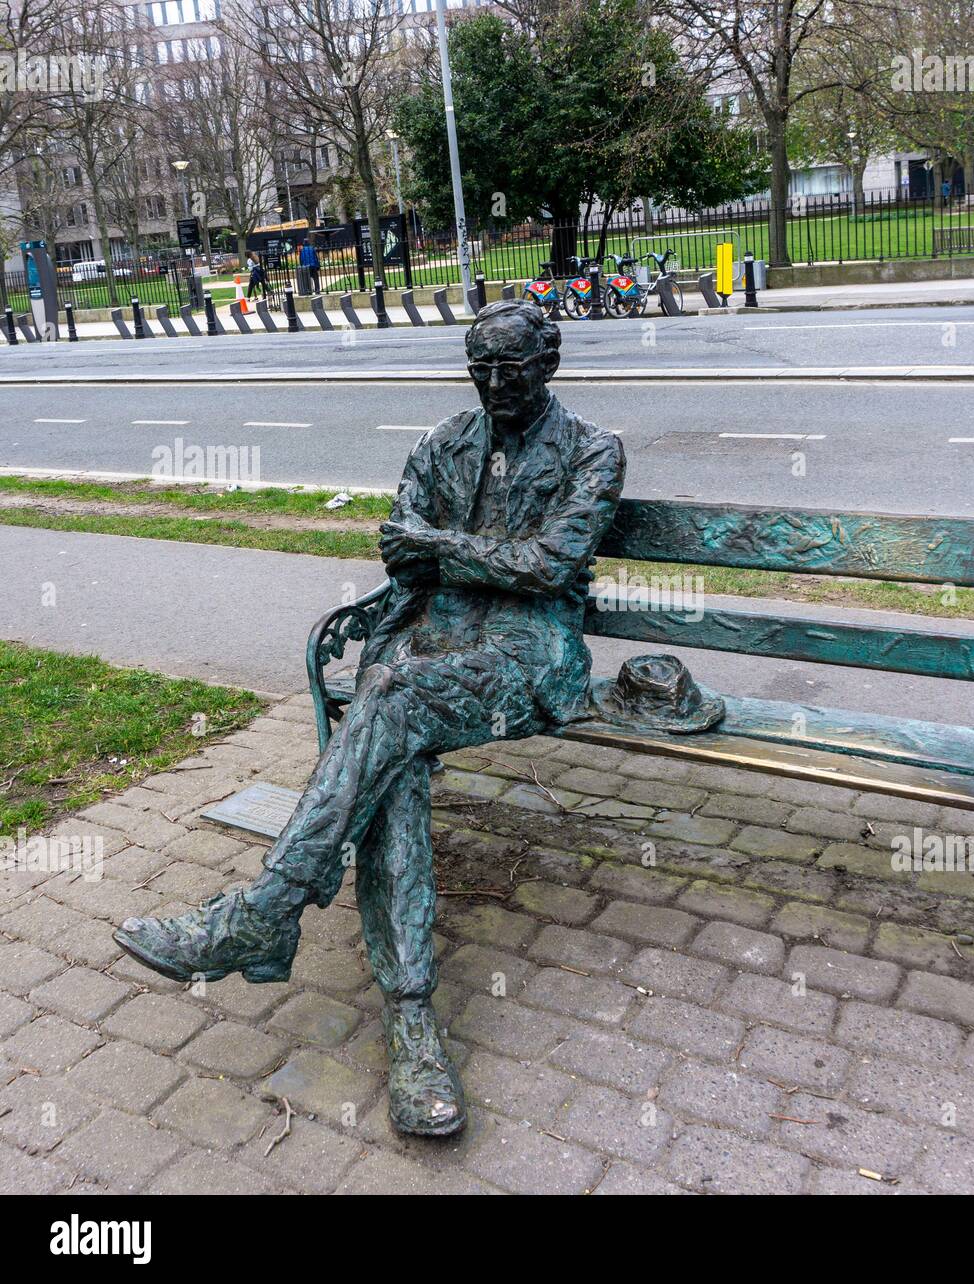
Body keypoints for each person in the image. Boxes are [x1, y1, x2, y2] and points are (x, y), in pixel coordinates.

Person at [114, 300, 626, 1137]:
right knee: (394, 762)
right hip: (425, 642)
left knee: (386, 702)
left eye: (513, 367)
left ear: (550, 363)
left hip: (525, 659)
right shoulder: (440, 443)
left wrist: (448, 547)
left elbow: (549, 566)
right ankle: (410, 1019)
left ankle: (263, 915)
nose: (495, 383)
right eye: (481, 367)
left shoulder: (593, 451)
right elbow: (399, 546)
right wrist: (442, 551)